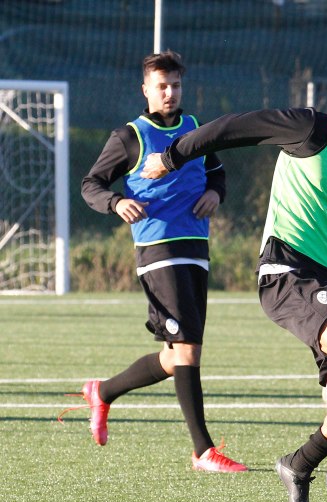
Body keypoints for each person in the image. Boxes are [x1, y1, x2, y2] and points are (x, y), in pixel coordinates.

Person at [140, 73, 327, 502]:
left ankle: (299, 464)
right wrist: (172, 156)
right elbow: (235, 127)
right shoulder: (315, 129)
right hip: (286, 269)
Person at [66, 51, 246, 472]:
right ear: (145, 90)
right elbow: (90, 184)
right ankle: (203, 451)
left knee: (176, 354)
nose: (170, 93)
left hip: (196, 247)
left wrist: (215, 194)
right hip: (157, 249)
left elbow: (216, 173)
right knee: (187, 349)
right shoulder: (130, 136)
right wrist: (116, 202)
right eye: (161, 86)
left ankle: (103, 391)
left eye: (176, 86)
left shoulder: (195, 128)